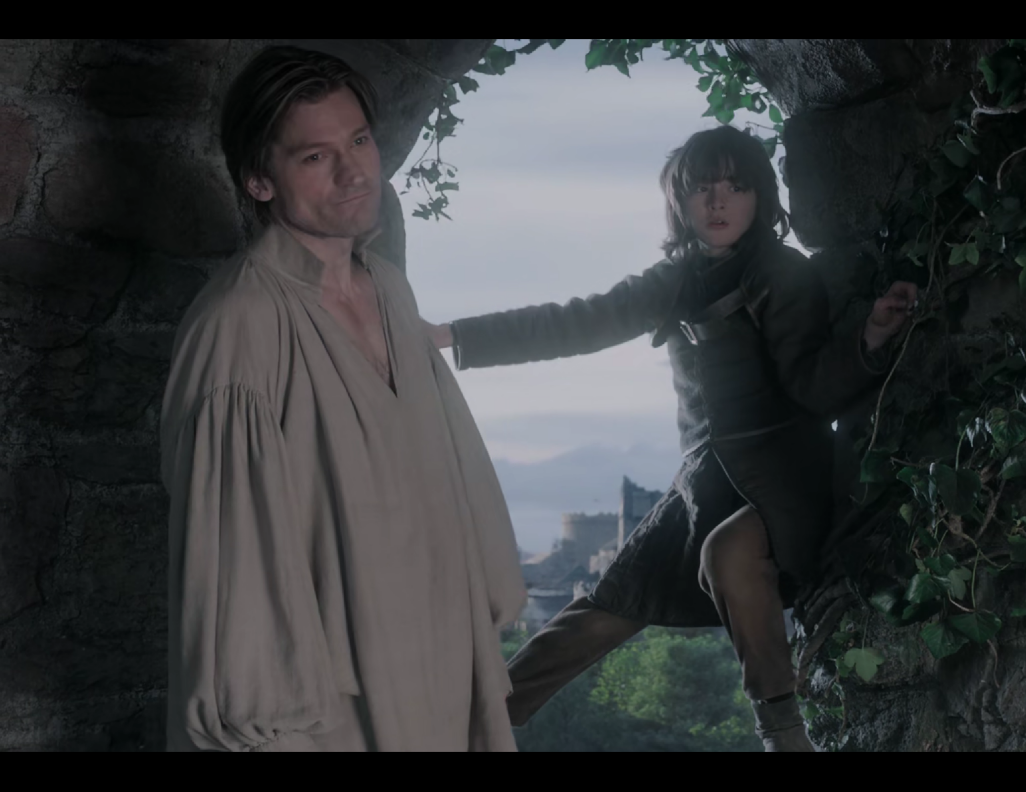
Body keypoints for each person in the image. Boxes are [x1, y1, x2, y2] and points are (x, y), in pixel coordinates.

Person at [430, 125, 916, 751]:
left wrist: (871, 337)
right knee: (609, 603)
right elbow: (578, 321)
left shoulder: (782, 272)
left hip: (784, 479)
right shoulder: (674, 279)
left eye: (735, 187)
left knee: (728, 552)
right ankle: (466, 726)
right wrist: (453, 337)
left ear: (759, 196)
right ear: (680, 200)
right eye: (702, 188)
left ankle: (784, 737)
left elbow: (815, 388)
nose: (718, 202)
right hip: (704, 482)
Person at [159, 46, 525, 752]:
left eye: (358, 141)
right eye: (315, 157)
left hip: (439, 668)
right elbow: (233, 574)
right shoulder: (238, 326)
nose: (355, 172)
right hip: (330, 705)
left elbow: (448, 479)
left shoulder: (389, 287)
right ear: (260, 181)